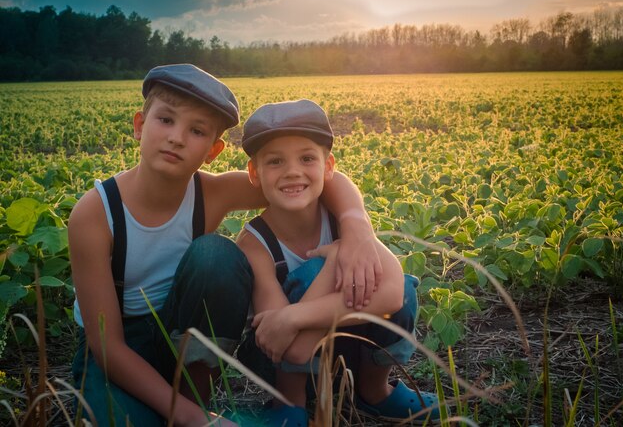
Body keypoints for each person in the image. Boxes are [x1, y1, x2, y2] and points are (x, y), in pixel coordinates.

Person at [68, 64, 386, 427]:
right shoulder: (96, 213)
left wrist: (357, 226)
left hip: (180, 328)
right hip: (116, 348)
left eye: (197, 130)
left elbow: (311, 177)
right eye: (166, 120)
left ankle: (196, 399)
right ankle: (193, 415)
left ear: (213, 151)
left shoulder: (212, 193)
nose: (177, 137)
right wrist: (190, 420)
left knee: (215, 255)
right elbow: (106, 346)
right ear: (140, 124)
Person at [235, 99, 442, 426]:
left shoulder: (344, 224)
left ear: (328, 166)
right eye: (275, 161)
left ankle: (374, 393)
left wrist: (294, 316)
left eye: (307, 158)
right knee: (318, 271)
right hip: (279, 359)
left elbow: (394, 295)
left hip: (345, 343)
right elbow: (291, 349)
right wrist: (333, 263)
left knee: (401, 284)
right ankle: (289, 403)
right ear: (254, 172)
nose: (292, 171)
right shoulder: (254, 244)